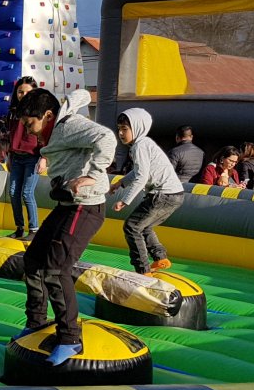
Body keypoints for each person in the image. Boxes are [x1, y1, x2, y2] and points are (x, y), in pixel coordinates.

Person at [16, 88, 115, 366]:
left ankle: (70, 338)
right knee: (33, 259)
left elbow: (106, 138)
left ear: (48, 116)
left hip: (86, 207)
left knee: (56, 268)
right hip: (68, 206)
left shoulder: (67, 126)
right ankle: (36, 322)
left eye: (30, 124)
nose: (29, 131)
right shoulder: (55, 131)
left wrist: (92, 175)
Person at [108, 109, 185, 275]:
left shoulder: (140, 146)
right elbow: (139, 171)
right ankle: (160, 258)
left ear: (137, 127)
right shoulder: (145, 143)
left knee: (131, 227)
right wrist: (121, 183)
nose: (120, 133)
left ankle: (142, 269)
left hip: (162, 194)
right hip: (176, 195)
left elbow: (141, 177)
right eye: (119, 129)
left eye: (125, 129)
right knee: (145, 226)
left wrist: (124, 200)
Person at [6, 76, 45, 239]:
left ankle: (34, 229)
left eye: (27, 92)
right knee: (13, 192)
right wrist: (9, 156)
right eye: (20, 92)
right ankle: (19, 227)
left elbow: (45, 136)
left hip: (32, 157)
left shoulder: (40, 112)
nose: (22, 95)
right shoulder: (14, 112)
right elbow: (11, 135)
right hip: (16, 157)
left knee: (27, 193)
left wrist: (44, 158)